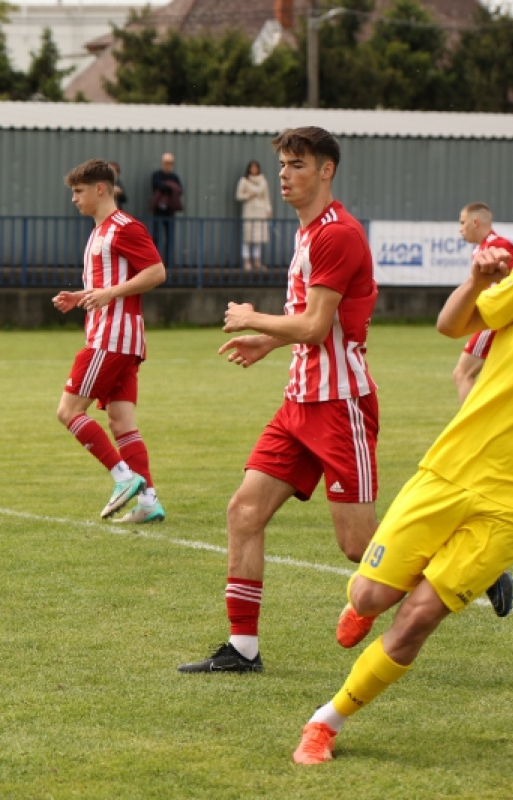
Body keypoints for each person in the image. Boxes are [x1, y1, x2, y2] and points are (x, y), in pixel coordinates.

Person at [292, 244, 513, 765]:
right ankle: (365, 601)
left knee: (417, 619)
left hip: (505, 509)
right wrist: (477, 279)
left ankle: (325, 722)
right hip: (450, 471)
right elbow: (450, 325)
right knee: (369, 598)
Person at [178, 126, 380, 675]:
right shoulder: (310, 233)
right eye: (282, 166)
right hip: (300, 403)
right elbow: (317, 321)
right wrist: (269, 340)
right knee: (243, 511)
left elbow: (316, 327)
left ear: (326, 170)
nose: (285, 176)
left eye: (296, 165)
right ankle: (243, 650)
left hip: (339, 405)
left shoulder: (337, 234)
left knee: (360, 547)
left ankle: (473, 569)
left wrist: (252, 317)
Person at [53, 159, 166, 523]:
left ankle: (123, 477)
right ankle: (148, 500)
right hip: (121, 338)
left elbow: (156, 272)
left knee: (68, 411)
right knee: (122, 422)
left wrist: (110, 293)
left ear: (100, 189)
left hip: (111, 337)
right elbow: (108, 285)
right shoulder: (99, 231)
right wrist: (81, 296)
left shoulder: (124, 227)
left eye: (79, 191)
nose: (74, 199)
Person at [452, 202, 513, 403]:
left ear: (475, 222)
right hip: (492, 315)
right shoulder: (483, 247)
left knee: (462, 373)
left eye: (463, 223)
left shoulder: (498, 246)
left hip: (493, 319)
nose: (460, 228)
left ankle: (471, 426)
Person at [236, 160, 272, 272]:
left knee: (258, 238)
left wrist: (268, 211)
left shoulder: (263, 181)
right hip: (249, 211)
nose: (254, 170)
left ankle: (257, 262)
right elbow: (238, 195)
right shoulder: (244, 181)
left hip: (260, 212)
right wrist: (248, 195)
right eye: (252, 168)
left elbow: (266, 197)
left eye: (256, 167)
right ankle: (247, 262)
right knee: (247, 238)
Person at [150, 153, 182, 269]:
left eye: (170, 163)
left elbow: (179, 189)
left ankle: (168, 264)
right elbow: (158, 185)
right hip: (158, 212)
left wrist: (167, 187)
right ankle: (157, 264)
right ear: (162, 163)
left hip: (170, 211)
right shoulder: (157, 175)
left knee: (170, 238)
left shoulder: (174, 177)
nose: (167, 165)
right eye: (166, 163)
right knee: (157, 238)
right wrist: (170, 187)